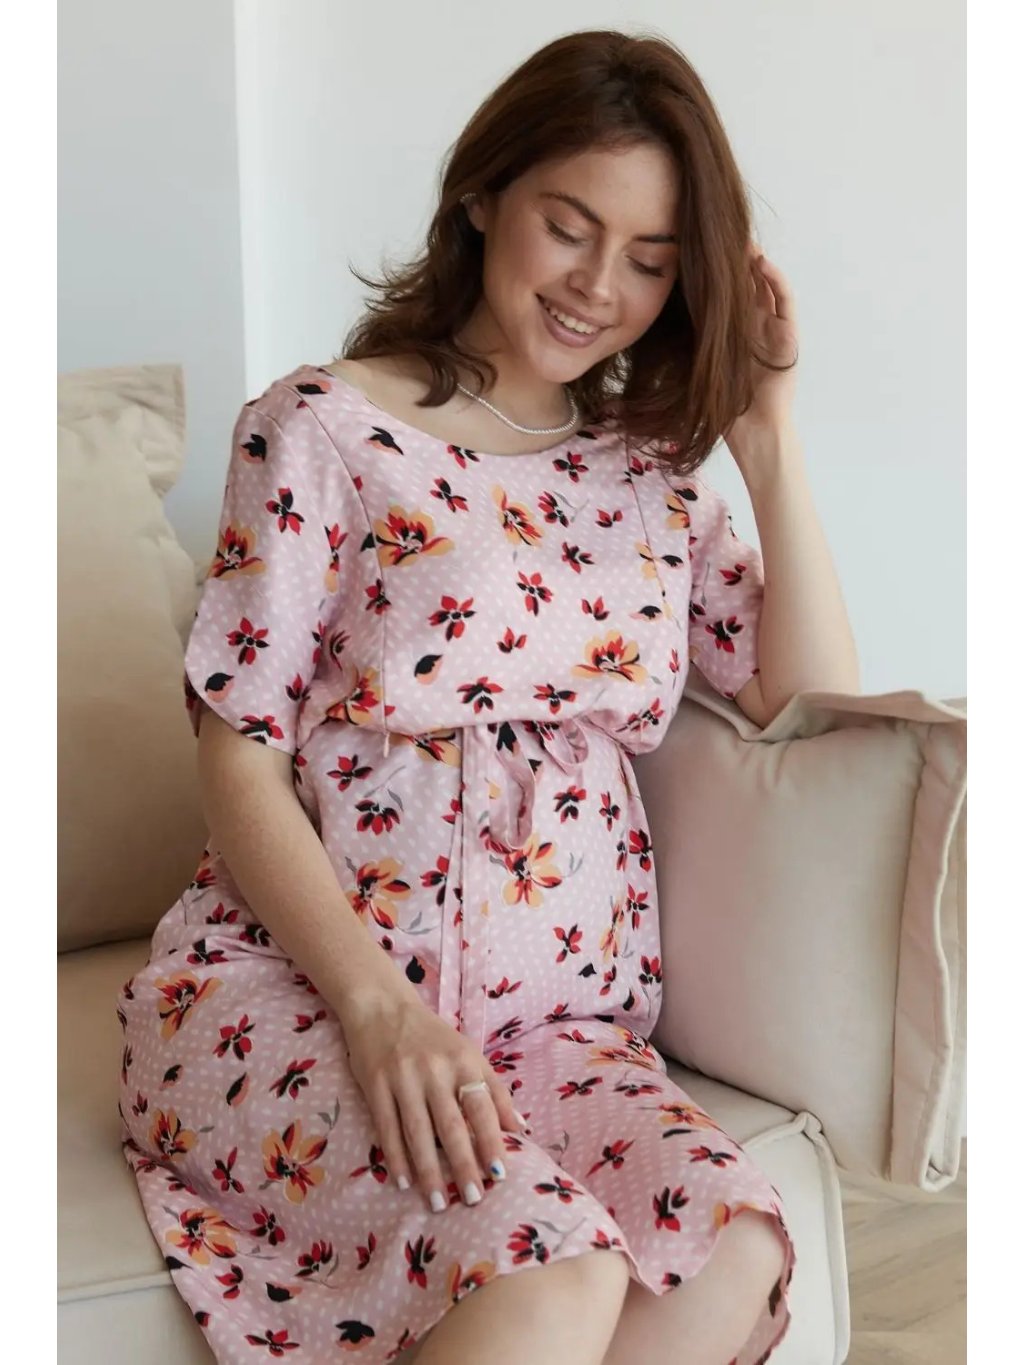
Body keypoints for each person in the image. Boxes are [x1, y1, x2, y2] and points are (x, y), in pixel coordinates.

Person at [117, 25, 859, 1365]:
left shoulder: (652, 479)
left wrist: (768, 434)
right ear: (482, 195)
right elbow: (238, 752)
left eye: (652, 260)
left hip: (557, 1033)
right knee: (551, 1275)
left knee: (731, 1252)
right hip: (302, 992)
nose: (599, 287)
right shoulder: (321, 428)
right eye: (569, 227)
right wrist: (378, 1011)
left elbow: (815, 710)